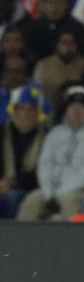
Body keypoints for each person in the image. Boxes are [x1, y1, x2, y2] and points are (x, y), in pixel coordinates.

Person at [17, 85, 84, 220]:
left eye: (81, 106)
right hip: (51, 189)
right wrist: (50, 193)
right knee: (31, 201)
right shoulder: (55, 134)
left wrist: (62, 191)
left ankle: (74, 240)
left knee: (68, 200)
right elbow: (44, 166)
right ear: (66, 109)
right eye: (73, 107)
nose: (77, 110)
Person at [0, 84, 48, 218]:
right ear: (13, 110)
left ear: (38, 113)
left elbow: (45, 170)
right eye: (20, 108)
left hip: (30, 188)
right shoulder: (2, 132)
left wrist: (13, 182)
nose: (25, 114)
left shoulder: (47, 136)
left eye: (31, 109)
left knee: (12, 198)